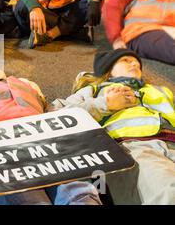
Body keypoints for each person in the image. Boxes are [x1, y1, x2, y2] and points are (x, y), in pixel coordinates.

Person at [0, 60, 102, 205]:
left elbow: (48, 109)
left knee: (78, 191)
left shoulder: (24, 82)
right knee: (26, 198)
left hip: (42, 135)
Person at [50, 49, 175, 204]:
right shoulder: (94, 90)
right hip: (132, 149)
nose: (135, 63)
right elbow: (55, 118)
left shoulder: (161, 91)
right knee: (169, 190)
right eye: (126, 60)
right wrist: (106, 103)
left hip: (171, 145)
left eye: (137, 62)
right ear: (108, 71)